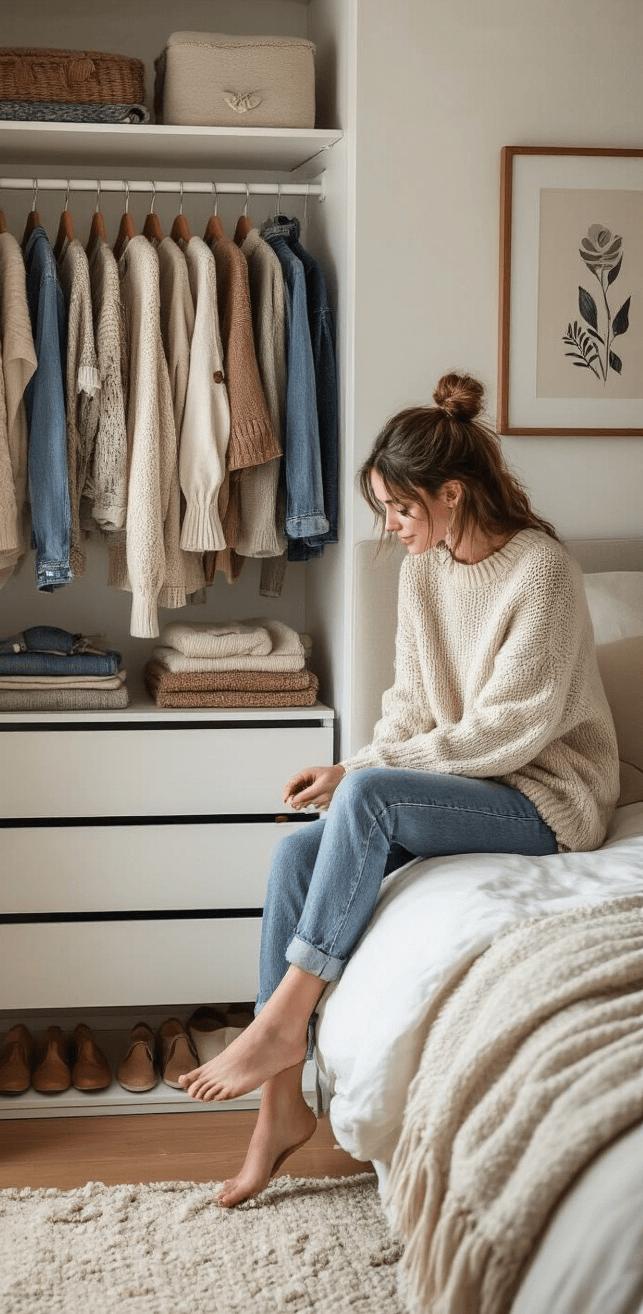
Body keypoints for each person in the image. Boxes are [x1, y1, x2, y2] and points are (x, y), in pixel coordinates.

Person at [180, 371, 620, 1208]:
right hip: (465, 785)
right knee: (295, 857)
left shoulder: (544, 572)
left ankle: (280, 1024)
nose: (390, 525)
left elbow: (513, 729)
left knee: (371, 798)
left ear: (451, 494)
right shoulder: (424, 571)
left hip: (548, 798)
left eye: (400, 508)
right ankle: (280, 1108)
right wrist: (354, 767)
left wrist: (366, 780)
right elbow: (411, 706)